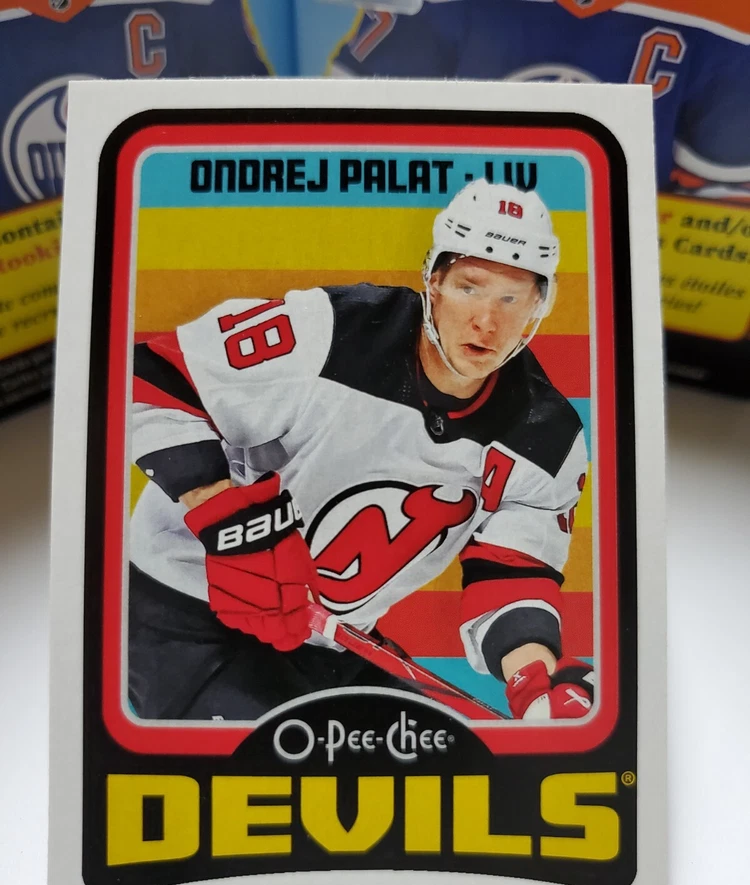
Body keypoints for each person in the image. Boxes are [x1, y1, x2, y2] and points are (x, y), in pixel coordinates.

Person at [129, 178, 594, 722]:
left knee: (440, 756)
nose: (486, 322)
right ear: (434, 280)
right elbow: (151, 378)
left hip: (329, 642)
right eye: (470, 288)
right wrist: (229, 523)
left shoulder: (548, 439)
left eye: (510, 299)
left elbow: (510, 574)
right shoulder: (330, 332)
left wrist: (535, 680)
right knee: (280, 760)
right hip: (179, 611)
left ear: (540, 304)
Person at [329, 0, 750, 202]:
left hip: (625, 290)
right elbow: (349, 151)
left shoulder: (729, 19)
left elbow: (717, 218)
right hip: (437, 264)